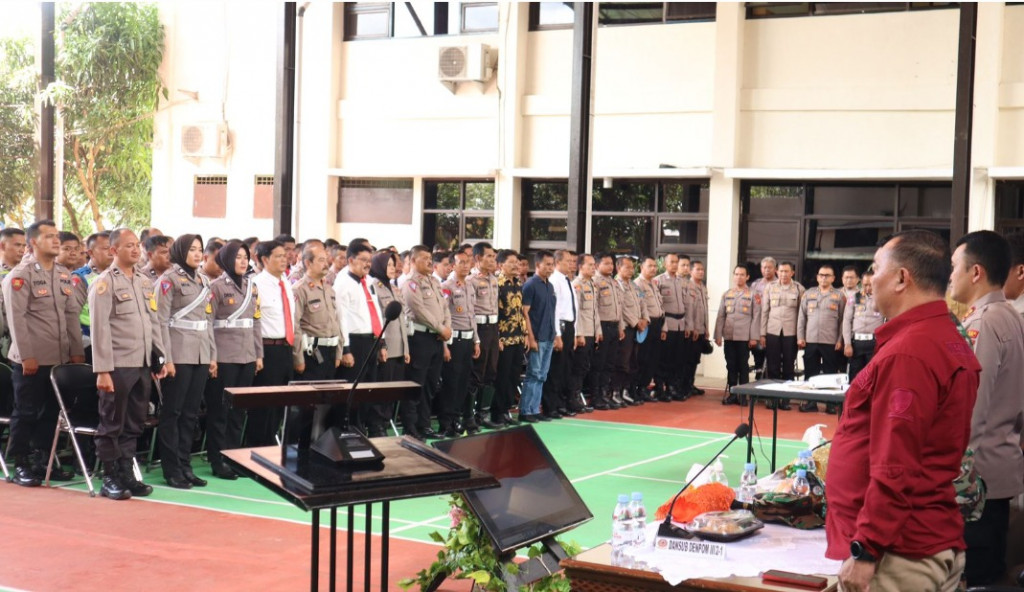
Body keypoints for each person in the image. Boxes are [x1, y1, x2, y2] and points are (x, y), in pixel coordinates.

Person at [827, 229, 980, 592]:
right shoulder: (943, 338)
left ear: (901, 278)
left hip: (899, 554)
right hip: (923, 537)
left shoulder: (910, 352)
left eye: (875, 268)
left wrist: (867, 548)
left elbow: (896, 463)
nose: (869, 279)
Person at [949, 230, 1024, 587]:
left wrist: (954, 477)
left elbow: (971, 411)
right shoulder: (1010, 316)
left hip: (977, 479)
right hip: (1001, 465)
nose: (950, 277)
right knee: (991, 572)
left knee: (977, 575)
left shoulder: (982, 322)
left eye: (954, 267)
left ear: (975, 272)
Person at [3, 220, 84, 486]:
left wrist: (76, 352)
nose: (56, 240)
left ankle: (43, 462)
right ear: (33, 243)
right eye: (49, 236)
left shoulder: (62, 274)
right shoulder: (20, 275)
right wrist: (26, 355)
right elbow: (17, 319)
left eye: (56, 236)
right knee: (25, 412)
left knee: (51, 413)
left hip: (59, 358)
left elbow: (71, 316)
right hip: (31, 360)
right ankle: (20, 464)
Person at [89, 228, 168, 500]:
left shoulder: (145, 282)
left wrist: (161, 357)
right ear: (113, 251)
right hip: (117, 366)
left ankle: (126, 473)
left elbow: (153, 322)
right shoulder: (104, 283)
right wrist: (102, 370)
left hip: (143, 363)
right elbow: (100, 330)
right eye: (128, 245)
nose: (135, 250)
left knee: (134, 423)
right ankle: (110, 477)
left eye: (137, 245)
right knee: (111, 423)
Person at [155, 234, 217, 489]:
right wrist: (165, 359)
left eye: (199, 249)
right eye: (191, 249)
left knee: (190, 414)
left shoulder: (204, 280)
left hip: (201, 353)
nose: (196, 254)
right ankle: (172, 469)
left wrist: (213, 355)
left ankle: (185, 466)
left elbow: (208, 321)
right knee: (173, 413)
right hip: (178, 354)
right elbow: (159, 321)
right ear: (180, 251)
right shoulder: (168, 280)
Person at [206, 240, 262, 480]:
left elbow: (256, 321)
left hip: (247, 355)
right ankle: (218, 460)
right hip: (224, 356)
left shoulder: (252, 287)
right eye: (238, 256)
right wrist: (211, 357)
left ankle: (235, 458)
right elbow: (207, 323)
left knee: (239, 411)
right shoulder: (216, 287)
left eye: (245, 257)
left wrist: (259, 354)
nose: (242, 261)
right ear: (227, 259)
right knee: (220, 411)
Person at [335, 240, 388, 435]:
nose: (368, 264)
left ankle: (362, 427)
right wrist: (346, 350)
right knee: (353, 391)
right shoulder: (342, 283)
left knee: (369, 388)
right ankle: (350, 430)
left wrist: (381, 343)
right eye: (363, 260)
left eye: (370, 260)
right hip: (354, 342)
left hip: (371, 341)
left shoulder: (369, 282)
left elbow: (376, 313)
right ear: (350, 259)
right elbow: (341, 319)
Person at [248, 240, 297, 446]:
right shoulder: (256, 284)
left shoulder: (285, 282)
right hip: (267, 349)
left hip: (286, 349)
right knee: (264, 406)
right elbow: (252, 321)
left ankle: (272, 446)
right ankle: (257, 447)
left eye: (285, 255)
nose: (284, 259)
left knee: (280, 404)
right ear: (265, 259)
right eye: (278, 256)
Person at [401, 245, 448, 440]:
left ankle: (424, 425)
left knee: (430, 385)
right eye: (424, 258)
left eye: (430, 258)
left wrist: (446, 328)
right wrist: (440, 327)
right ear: (412, 261)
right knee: (416, 384)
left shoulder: (434, 282)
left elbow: (444, 307)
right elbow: (418, 310)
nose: (430, 261)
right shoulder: (410, 283)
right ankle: (410, 428)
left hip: (436, 338)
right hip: (420, 338)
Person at [438, 250, 479, 437]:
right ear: (452, 265)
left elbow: (472, 315)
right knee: (451, 383)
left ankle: (456, 419)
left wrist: (476, 340)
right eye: (461, 262)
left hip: (468, 339)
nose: (465, 265)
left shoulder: (470, 285)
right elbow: (444, 317)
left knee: (463, 383)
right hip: (454, 340)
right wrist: (444, 345)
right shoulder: (446, 286)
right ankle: (446, 423)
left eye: (467, 262)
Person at [368, 250, 409, 430]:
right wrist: (380, 346)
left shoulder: (394, 288)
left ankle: (385, 422)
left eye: (394, 265)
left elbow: (402, 320)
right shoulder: (373, 287)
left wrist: (406, 349)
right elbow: (376, 320)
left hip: (399, 346)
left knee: (393, 391)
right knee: (381, 390)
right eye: (389, 265)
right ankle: (377, 426)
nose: (393, 268)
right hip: (386, 347)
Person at [797, 264, 846, 413]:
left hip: (830, 341)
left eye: (827, 275)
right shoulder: (808, 294)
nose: (824, 278)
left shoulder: (839, 296)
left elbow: (843, 320)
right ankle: (810, 402)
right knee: (811, 372)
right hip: (811, 339)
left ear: (833, 278)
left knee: (830, 373)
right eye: (821, 275)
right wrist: (801, 337)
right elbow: (801, 317)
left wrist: (840, 340)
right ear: (817, 277)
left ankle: (831, 404)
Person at [520, 250, 558, 422]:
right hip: (537, 336)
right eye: (547, 264)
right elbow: (525, 313)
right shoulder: (530, 285)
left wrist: (555, 334)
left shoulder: (549, 286)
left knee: (542, 374)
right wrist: (530, 337)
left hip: (548, 336)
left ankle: (535, 409)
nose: (550, 268)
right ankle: (526, 410)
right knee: (533, 374)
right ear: (538, 265)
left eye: (552, 264)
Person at [759, 261, 803, 409]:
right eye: (781, 271)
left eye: (787, 271)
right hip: (772, 331)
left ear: (792, 273)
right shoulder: (770, 287)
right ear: (777, 272)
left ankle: (785, 400)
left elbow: (802, 315)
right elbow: (764, 311)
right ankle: (772, 398)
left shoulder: (799, 289)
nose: (783, 274)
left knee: (789, 366)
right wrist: (762, 334)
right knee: (773, 366)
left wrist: (801, 336)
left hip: (791, 333)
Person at [466, 242, 501, 429]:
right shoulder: (471, 280)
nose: (493, 260)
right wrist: (475, 338)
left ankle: (483, 414)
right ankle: (469, 416)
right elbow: (470, 311)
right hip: (479, 329)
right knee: (476, 373)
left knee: (491, 371)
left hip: (493, 329)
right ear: (478, 258)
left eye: (494, 257)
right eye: (489, 256)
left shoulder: (494, 280)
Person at [715, 264, 760, 405]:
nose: (738, 277)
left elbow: (756, 317)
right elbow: (721, 316)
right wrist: (718, 335)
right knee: (731, 366)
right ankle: (733, 394)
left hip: (744, 337)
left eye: (742, 274)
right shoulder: (727, 294)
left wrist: (753, 337)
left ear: (747, 277)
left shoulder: (753, 294)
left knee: (743, 366)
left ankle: (743, 396)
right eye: (736, 274)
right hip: (729, 336)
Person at [543, 249, 578, 418]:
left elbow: (573, 309)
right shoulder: (554, 280)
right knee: (555, 369)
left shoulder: (567, 280)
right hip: (560, 328)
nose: (571, 264)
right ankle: (551, 406)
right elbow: (554, 310)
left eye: (572, 261)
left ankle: (561, 403)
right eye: (568, 261)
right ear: (558, 262)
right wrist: (557, 334)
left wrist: (576, 332)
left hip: (569, 327)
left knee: (566, 368)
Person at [493, 250, 525, 427]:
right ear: (501, 264)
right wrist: (497, 337)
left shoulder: (518, 283)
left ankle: (506, 410)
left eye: (517, 262)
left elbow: (520, 312)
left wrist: (525, 334)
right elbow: (495, 312)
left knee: (513, 376)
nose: (516, 265)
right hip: (504, 338)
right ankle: (497, 412)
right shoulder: (498, 283)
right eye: (511, 262)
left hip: (518, 337)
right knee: (502, 377)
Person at [612, 256, 648, 406]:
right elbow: (622, 308)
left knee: (633, 361)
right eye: (627, 267)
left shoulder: (634, 286)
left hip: (638, 329)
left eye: (632, 267)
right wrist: (636, 322)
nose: (631, 270)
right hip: (626, 328)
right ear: (618, 268)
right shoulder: (616, 285)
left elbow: (642, 302)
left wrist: (645, 319)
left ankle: (626, 390)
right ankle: (615, 392)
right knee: (622, 362)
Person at [72, 231, 112, 361]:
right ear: (90, 253)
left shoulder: (120, 276)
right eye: (106, 248)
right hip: (90, 342)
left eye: (113, 248)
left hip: (116, 343)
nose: (111, 252)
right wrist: (76, 349)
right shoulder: (80, 277)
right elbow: (72, 316)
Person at [592, 253, 624, 410]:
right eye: (606, 263)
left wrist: (620, 327)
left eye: (611, 263)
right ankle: (596, 396)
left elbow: (619, 306)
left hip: (614, 326)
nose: (610, 266)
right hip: (602, 327)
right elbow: (595, 309)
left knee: (610, 363)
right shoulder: (595, 282)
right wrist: (598, 330)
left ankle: (605, 394)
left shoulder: (614, 282)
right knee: (599, 364)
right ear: (597, 266)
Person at [656, 253, 688, 400]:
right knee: (665, 359)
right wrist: (663, 327)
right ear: (665, 264)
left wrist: (687, 325)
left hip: (680, 324)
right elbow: (659, 305)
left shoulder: (682, 281)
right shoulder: (659, 281)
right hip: (667, 324)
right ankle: (662, 388)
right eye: (672, 262)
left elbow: (686, 304)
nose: (675, 265)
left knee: (678, 359)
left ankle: (674, 387)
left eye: (676, 262)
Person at [842, 269, 883, 382]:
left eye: (871, 284)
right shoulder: (855, 297)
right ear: (861, 283)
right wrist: (847, 344)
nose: (868, 287)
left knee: (872, 376)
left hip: (874, 343)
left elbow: (889, 320)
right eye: (865, 285)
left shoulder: (882, 298)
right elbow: (847, 321)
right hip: (857, 343)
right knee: (854, 376)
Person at [570, 254, 599, 410]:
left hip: (591, 331)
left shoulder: (592, 284)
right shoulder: (577, 284)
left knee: (586, 367)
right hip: (582, 333)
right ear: (581, 267)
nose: (593, 267)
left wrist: (598, 331)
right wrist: (579, 333)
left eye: (594, 265)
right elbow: (577, 312)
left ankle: (578, 397)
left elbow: (595, 311)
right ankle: (573, 399)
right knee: (578, 368)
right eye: (590, 265)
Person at [634, 256, 664, 403]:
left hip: (657, 324)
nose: (653, 268)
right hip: (646, 324)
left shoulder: (654, 283)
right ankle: (638, 388)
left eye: (654, 266)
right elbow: (640, 305)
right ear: (641, 268)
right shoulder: (638, 284)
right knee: (643, 358)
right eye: (649, 266)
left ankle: (645, 387)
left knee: (653, 358)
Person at [684, 260, 710, 396]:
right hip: (692, 330)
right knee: (688, 360)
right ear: (691, 271)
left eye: (702, 270)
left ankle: (691, 384)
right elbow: (689, 310)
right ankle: (685, 386)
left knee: (695, 360)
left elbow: (704, 310)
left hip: (701, 330)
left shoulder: (703, 287)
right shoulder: (688, 286)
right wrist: (692, 328)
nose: (701, 272)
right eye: (698, 269)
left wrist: (706, 329)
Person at [750, 257, 778, 379]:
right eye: (764, 267)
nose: (767, 270)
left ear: (775, 269)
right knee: (758, 357)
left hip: (773, 325)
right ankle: (758, 382)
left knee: (773, 358)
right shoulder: (755, 285)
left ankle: (770, 384)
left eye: (769, 267)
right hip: (757, 324)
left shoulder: (779, 284)